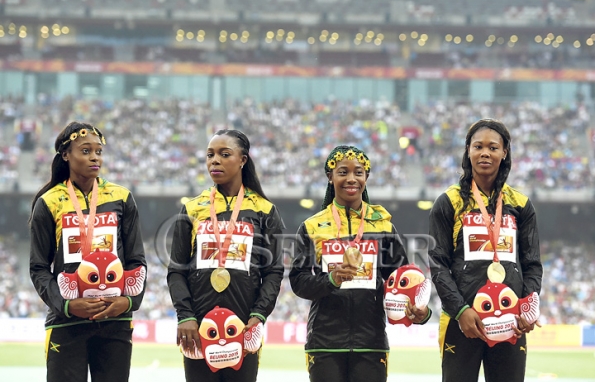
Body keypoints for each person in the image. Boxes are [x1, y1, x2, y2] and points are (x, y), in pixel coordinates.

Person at [290, 145, 431, 382]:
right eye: (343, 172)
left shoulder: (383, 225)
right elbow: (298, 281)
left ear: (366, 177)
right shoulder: (312, 226)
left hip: (371, 342)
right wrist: (332, 280)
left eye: (359, 172)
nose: (351, 179)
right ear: (330, 177)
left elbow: (403, 281)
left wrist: (420, 311)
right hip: (325, 343)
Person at [29, 122, 147, 382]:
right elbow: (38, 268)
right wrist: (68, 306)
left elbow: (137, 261)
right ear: (65, 155)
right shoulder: (48, 202)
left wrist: (127, 302)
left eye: (99, 151)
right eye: (86, 150)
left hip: (115, 321)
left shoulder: (122, 197)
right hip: (66, 323)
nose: (95, 157)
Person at [428, 118, 543, 382]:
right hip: (462, 322)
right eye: (478, 146)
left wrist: (527, 306)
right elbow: (437, 263)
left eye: (493, 147)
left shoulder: (521, 204)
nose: (485, 153)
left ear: (505, 153)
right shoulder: (449, 202)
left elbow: (533, 263)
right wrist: (460, 311)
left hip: (510, 319)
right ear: (468, 150)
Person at [167, 129, 284, 382]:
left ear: (243, 160)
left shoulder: (264, 210)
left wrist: (258, 315)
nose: (214, 160)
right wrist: (185, 315)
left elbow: (273, 271)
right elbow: (177, 270)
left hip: (243, 327)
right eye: (210, 155)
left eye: (224, 154)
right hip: (198, 328)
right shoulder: (192, 208)